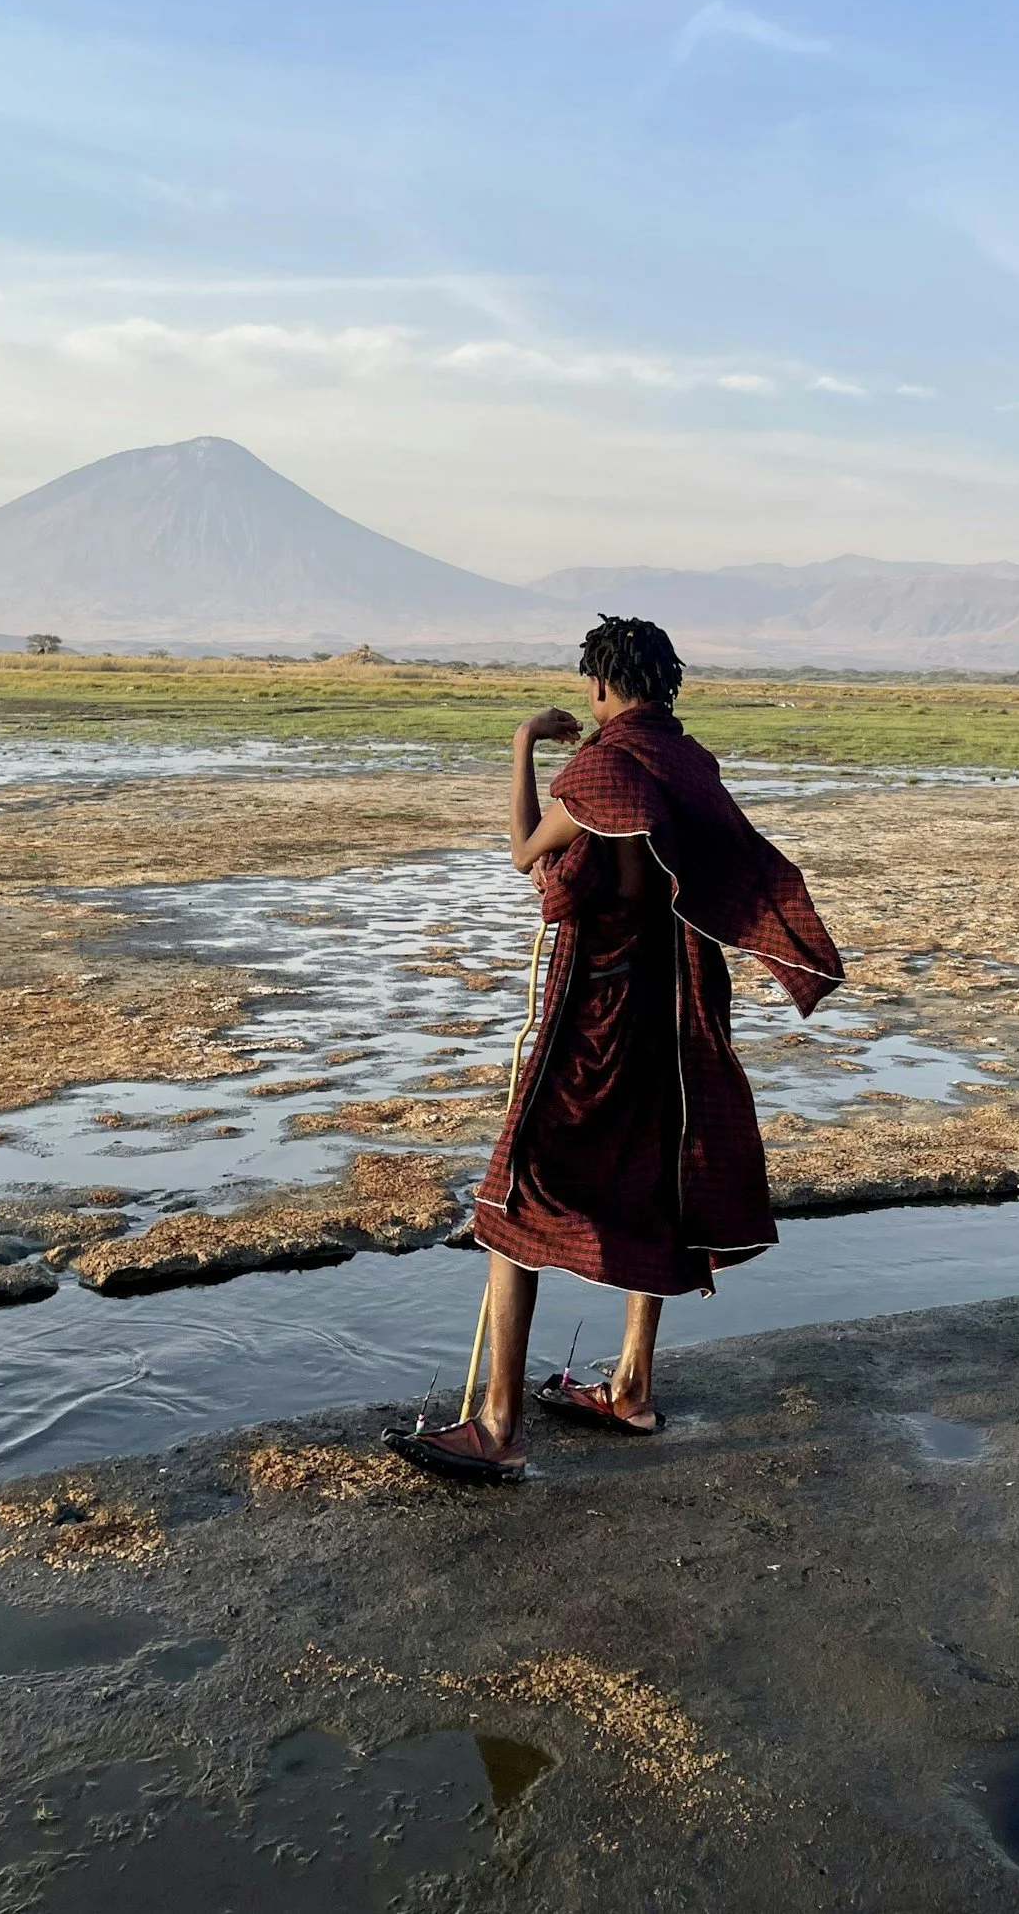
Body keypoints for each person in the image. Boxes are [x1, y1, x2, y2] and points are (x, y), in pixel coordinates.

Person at [403, 614, 842, 1482]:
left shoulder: (603, 767)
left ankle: (498, 1426)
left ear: (600, 685)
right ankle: (631, 1387)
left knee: (512, 1194)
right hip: (673, 1006)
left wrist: (526, 741)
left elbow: (527, 855)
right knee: (659, 1172)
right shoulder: (689, 765)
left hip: (593, 1013)